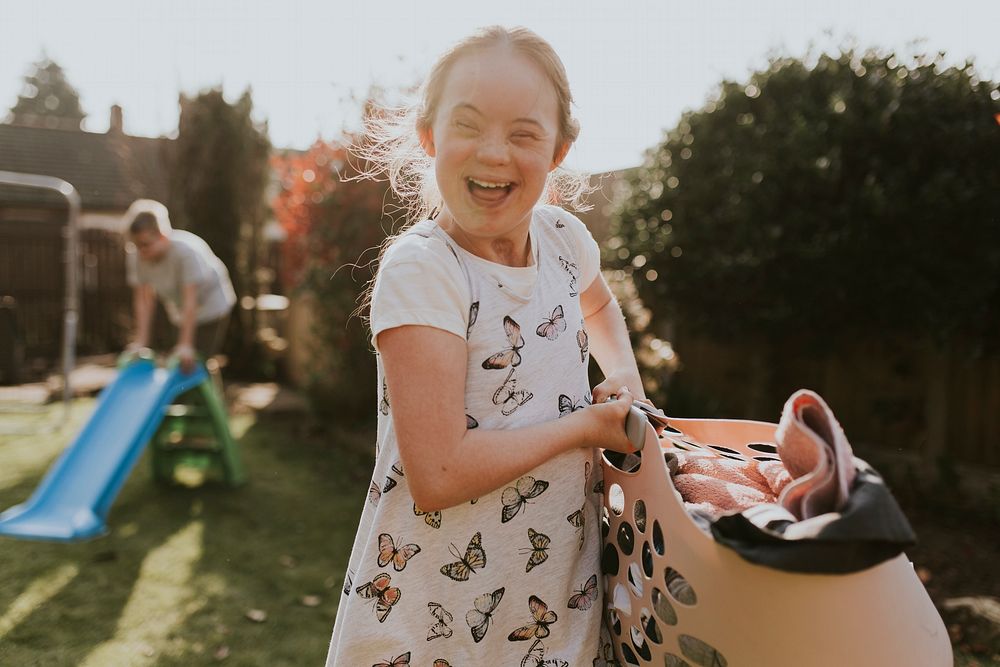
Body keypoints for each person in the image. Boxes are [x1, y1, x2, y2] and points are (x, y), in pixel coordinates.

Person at [326, 26, 646, 666]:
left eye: (524, 134)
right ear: (429, 137)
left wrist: (627, 381)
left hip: (553, 600)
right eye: (468, 125)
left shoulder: (563, 239)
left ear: (558, 150)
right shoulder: (426, 271)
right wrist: (585, 426)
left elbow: (600, 302)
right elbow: (438, 474)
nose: (495, 154)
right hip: (431, 617)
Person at [122, 199, 236, 374]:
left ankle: (210, 397)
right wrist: (141, 342)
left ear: (163, 236)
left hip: (211, 305)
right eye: (136, 245)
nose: (141, 251)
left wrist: (186, 344)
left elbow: (191, 300)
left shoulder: (186, 252)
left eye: (145, 244)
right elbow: (144, 301)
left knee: (196, 361)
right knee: (179, 363)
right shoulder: (137, 256)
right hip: (180, 310)